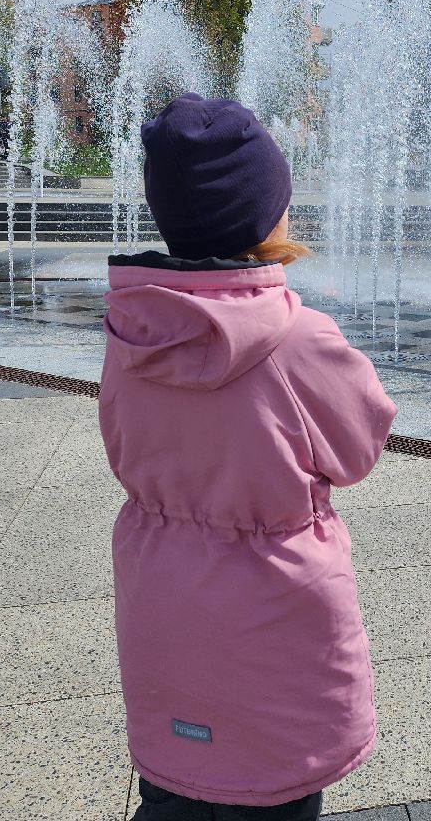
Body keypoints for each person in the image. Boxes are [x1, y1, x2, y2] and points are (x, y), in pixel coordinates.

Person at [100, 92, 397, 821]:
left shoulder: (132, 329)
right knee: (271, 791)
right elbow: (359, 447)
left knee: (176, 783)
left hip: (162, 602)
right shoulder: (300, 339)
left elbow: (121, 443)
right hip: (273, 613)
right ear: (267, 214)